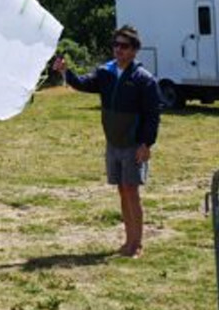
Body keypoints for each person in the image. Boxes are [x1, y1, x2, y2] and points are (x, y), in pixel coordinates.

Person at [52, 25, 160, 258]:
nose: (118, 50)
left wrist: (146, 144)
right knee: (122, 191)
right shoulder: (106, 73)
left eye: (124, 46)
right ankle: (127, 240)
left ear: (134, 50)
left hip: (133, 144)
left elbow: (152, 116)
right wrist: (66, 72)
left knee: (132, 192)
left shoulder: (144, 80)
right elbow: (82, 83)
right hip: (113, 143)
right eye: (116, 45)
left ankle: (137, 243)